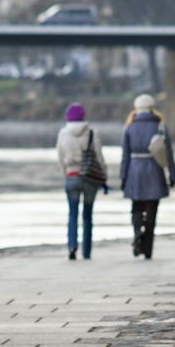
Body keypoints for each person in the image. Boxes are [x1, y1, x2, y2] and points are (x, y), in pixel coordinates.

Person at [120, 94, 175, 259]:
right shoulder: (160, 126)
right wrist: (172, 175)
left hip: (134, 170)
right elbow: (169, 154)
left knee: (136, 208)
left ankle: (138, 233)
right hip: (155, 170)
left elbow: (125, 156)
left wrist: (123, 177)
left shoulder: (129, 127)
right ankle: (147, 249)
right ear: (153, 108)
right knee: (152, 211)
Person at [56, 103, 106, 260]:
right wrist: (103, 175)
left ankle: (72, 247)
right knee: (87, 215)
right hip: (90, 178)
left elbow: (60, 156)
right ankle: (87, 251)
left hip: (71, 176)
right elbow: (99, 157)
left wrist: (66, 172)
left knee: (72, 213)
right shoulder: (92, 133)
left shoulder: (63, 133)